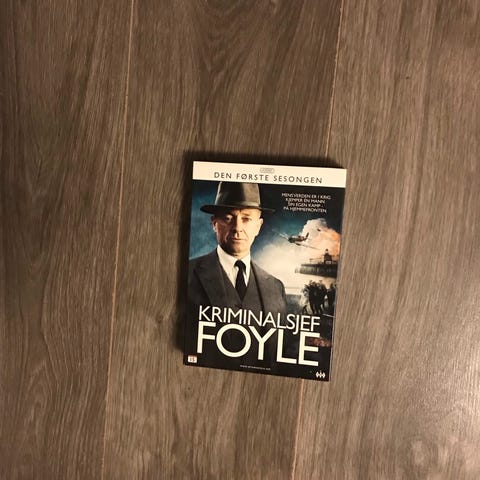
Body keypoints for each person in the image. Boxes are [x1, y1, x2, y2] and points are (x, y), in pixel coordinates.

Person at [185, 181, 286, 367]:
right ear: (214, 224)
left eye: (246, 219)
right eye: (228, 218)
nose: (237, 227)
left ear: (258, 226)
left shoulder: (276, 287)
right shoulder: (188, 274)